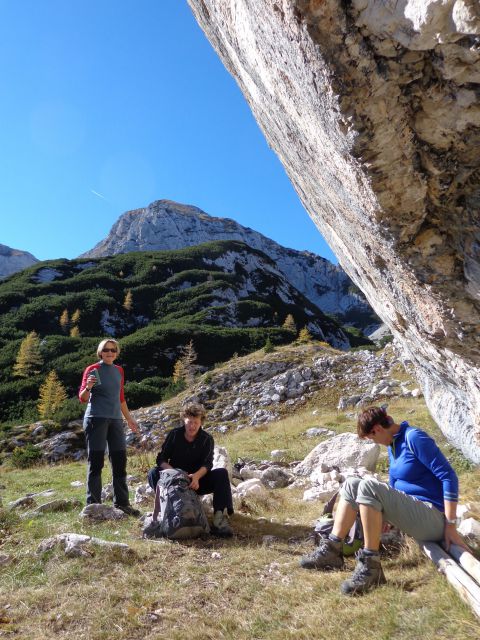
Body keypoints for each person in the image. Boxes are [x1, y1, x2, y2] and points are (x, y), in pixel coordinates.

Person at [300, 406, 468, 595]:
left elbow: (448, 477)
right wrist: (386, 515)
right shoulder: (392, 445)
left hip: (434, 518)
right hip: (414, 514)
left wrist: (451, 524)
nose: (375, 442)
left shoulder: (414, 438)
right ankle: (332, 549)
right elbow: (395, 488)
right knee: (352, 484)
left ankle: (371, 567)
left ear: (377, 429)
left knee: (368, 486)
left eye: (372, 438)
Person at [148, 402, 234, 537]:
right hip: (174, 482)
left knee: (221, 474)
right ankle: (165, 510)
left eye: (196, 422)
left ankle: (219, 519)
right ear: (184, 420)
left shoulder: (207, 439)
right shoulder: (175, 435)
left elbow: (208, 464)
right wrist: (175, 474)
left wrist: (197, 477)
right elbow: (161, 459)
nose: (192, 426)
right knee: (153, 473)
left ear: (201, 422)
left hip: (197, 481)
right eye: (189, 422)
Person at [79, 338, 140, 516]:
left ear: (116, 352)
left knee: (120, 462)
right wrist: (89, 387)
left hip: (115, 420)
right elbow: (82, 398)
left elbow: (120, 398)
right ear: (100, 352)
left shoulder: (119, 370)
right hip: (95, 419)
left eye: (113, 350)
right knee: (96, 462)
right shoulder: (93, 370)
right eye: (106, 350)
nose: (110, 353)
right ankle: (93, 506)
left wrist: (129, 419)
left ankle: (122, 504)